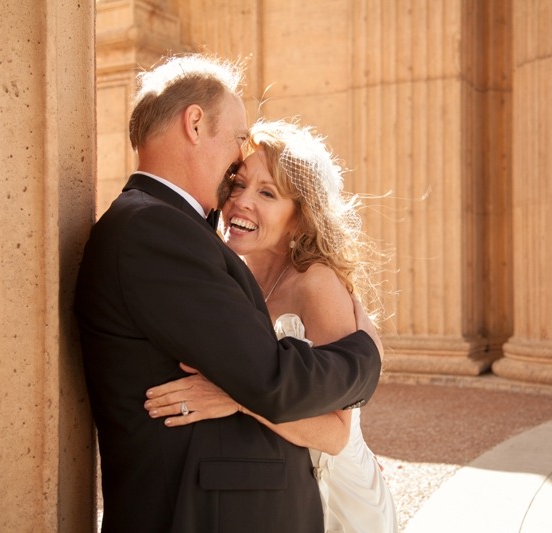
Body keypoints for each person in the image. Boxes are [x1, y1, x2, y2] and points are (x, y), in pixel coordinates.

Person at [74, 53, 384, 533]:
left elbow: (265, 384)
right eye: (239, 141)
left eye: (267, 192)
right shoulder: (155, 229)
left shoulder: (165, 227)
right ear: (194, 124)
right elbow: (269, 379)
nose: (236, 179)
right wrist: (364, 356)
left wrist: (238, 393)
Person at [143, 119, 398, 532]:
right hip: (279, 483)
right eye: (238, 184)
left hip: (337, 496)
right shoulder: (231, 274)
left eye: (267, 193)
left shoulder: (314, 282)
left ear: (300, 216)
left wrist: (238, 398)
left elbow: (335, 433)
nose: (242, 201)